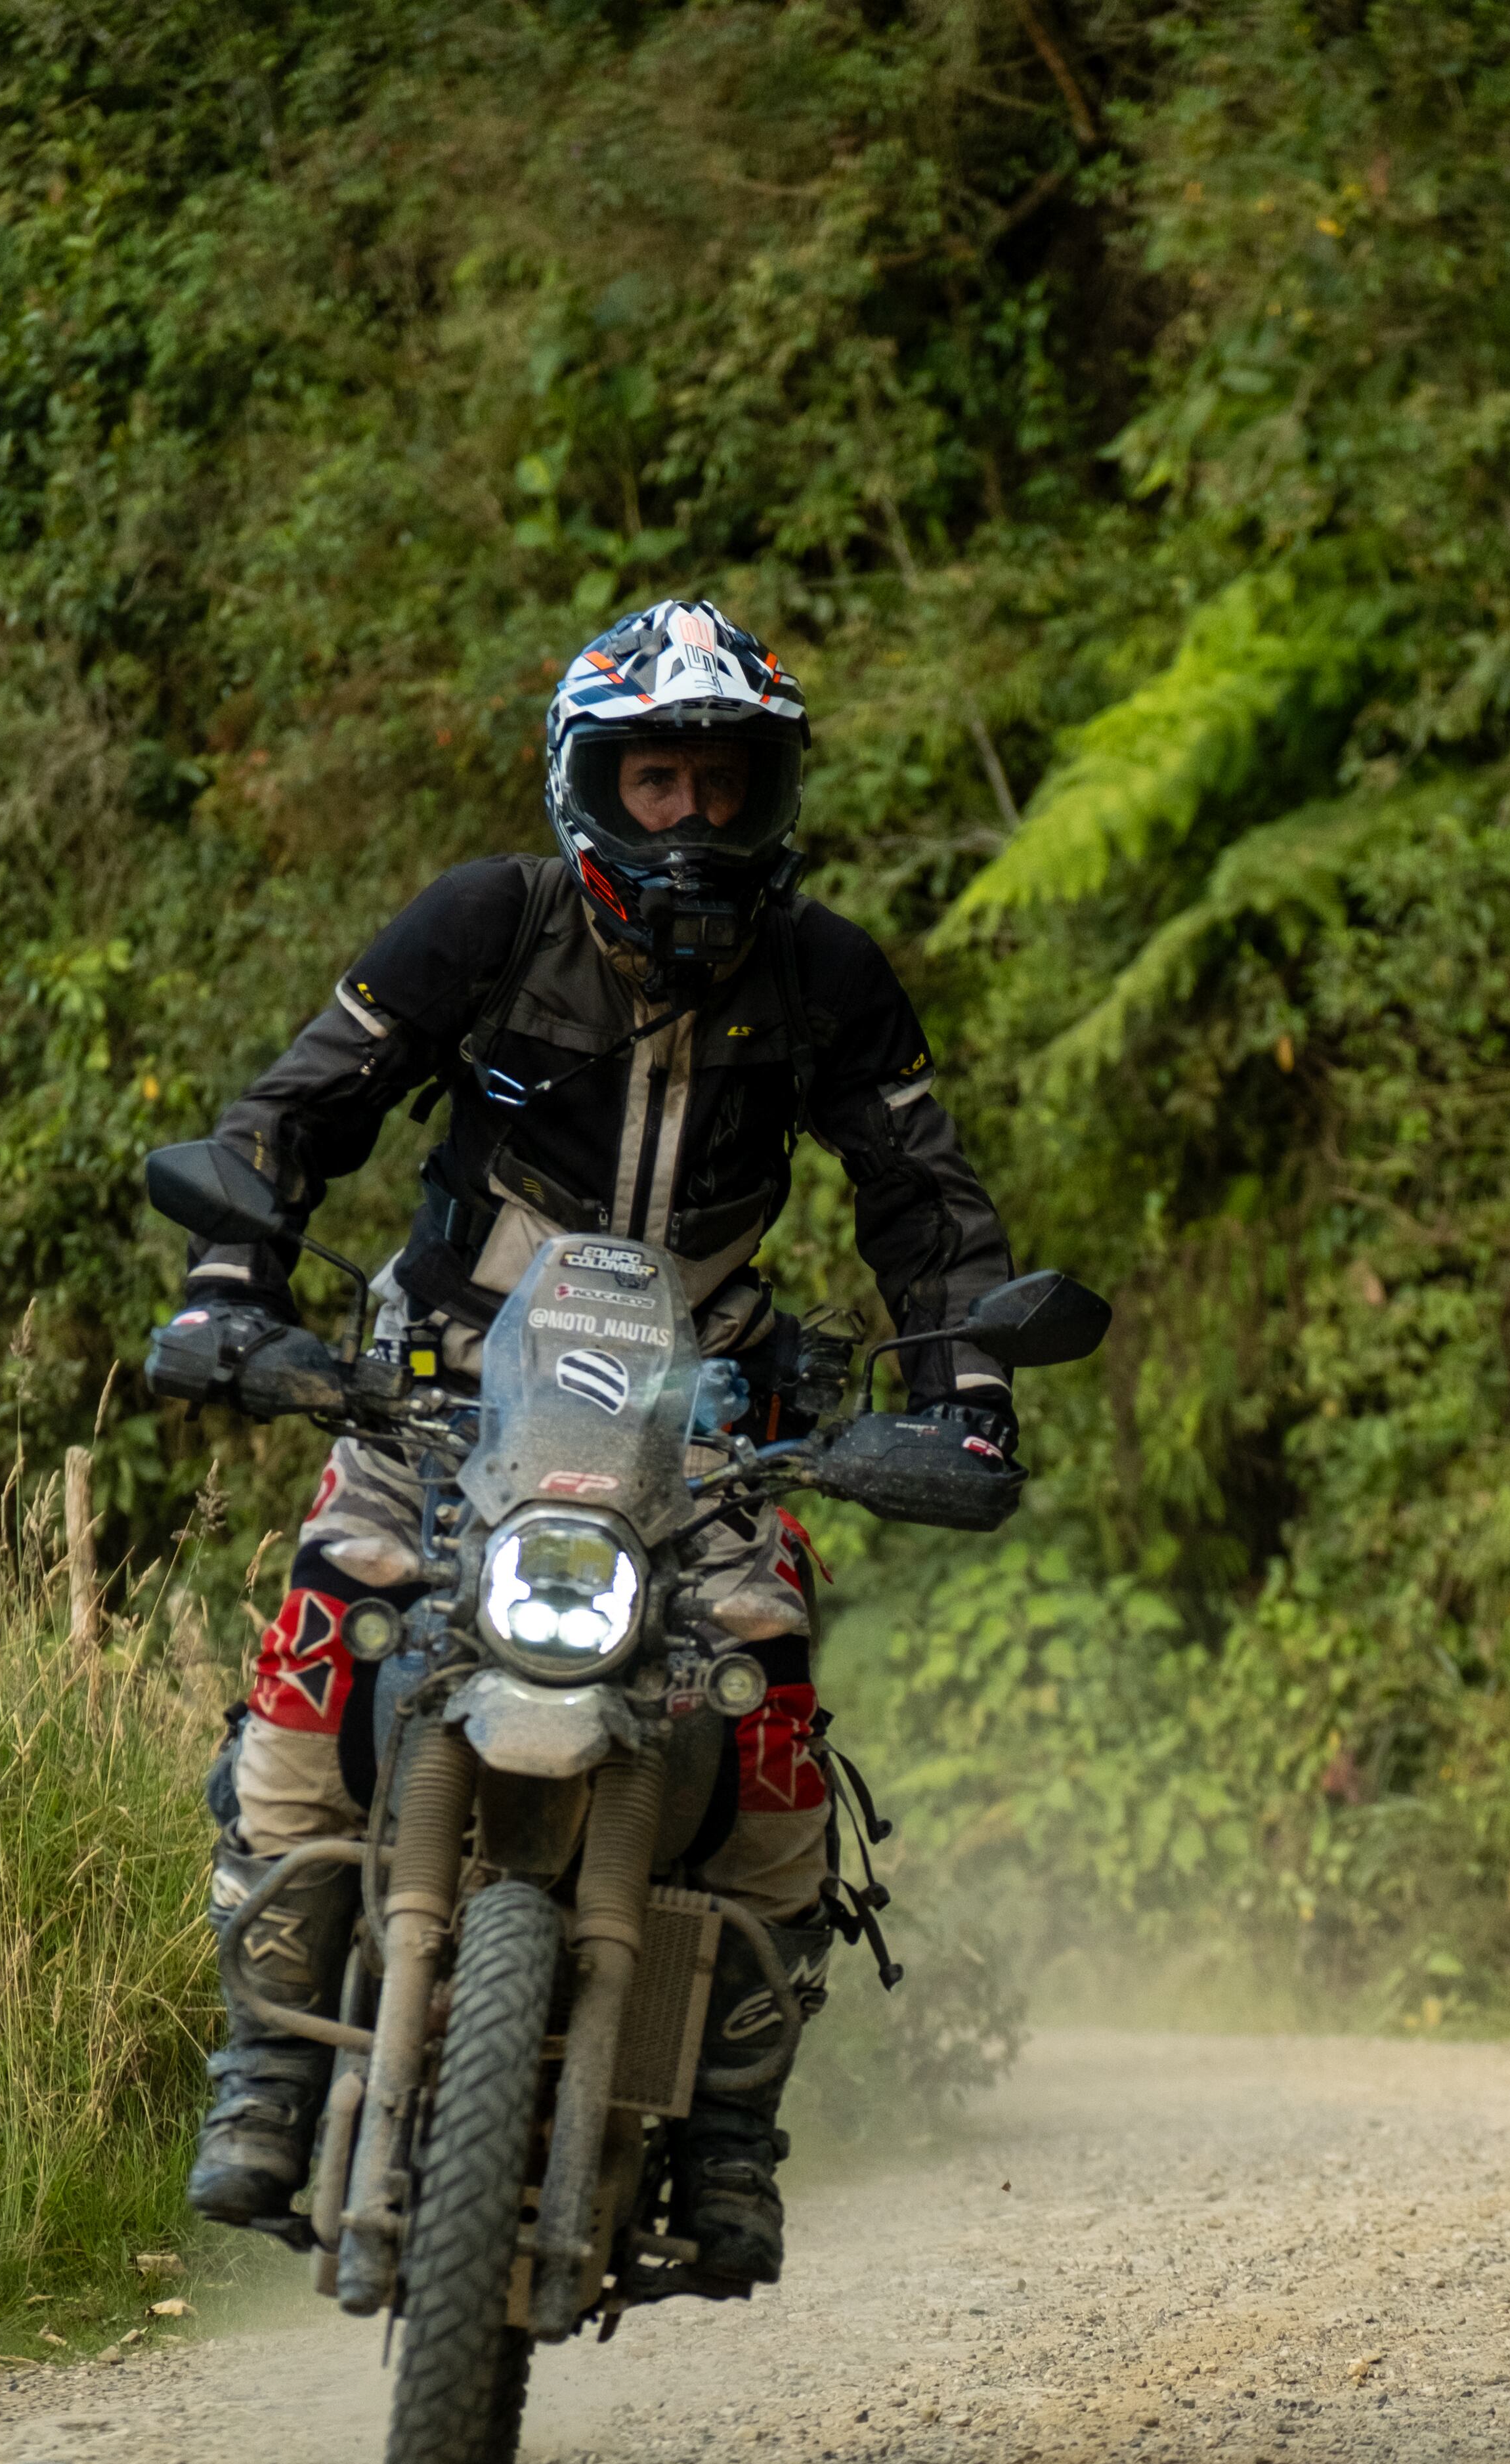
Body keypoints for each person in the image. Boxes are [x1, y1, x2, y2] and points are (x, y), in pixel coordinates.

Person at [146, 597, 1022, 2290]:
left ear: (774, 797)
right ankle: (263, 2056)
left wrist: (970, 1396)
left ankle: (734, 2123)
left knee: (772, 1708)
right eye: (654, 784)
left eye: (722, 783)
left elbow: (930, 1205)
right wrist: (224, 1289)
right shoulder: (484, 924)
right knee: (314, 1655)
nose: (688, 819)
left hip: (711, 1429)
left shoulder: (829, 973)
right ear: (586, 787)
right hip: (442, 1384)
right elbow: (295, 1114)